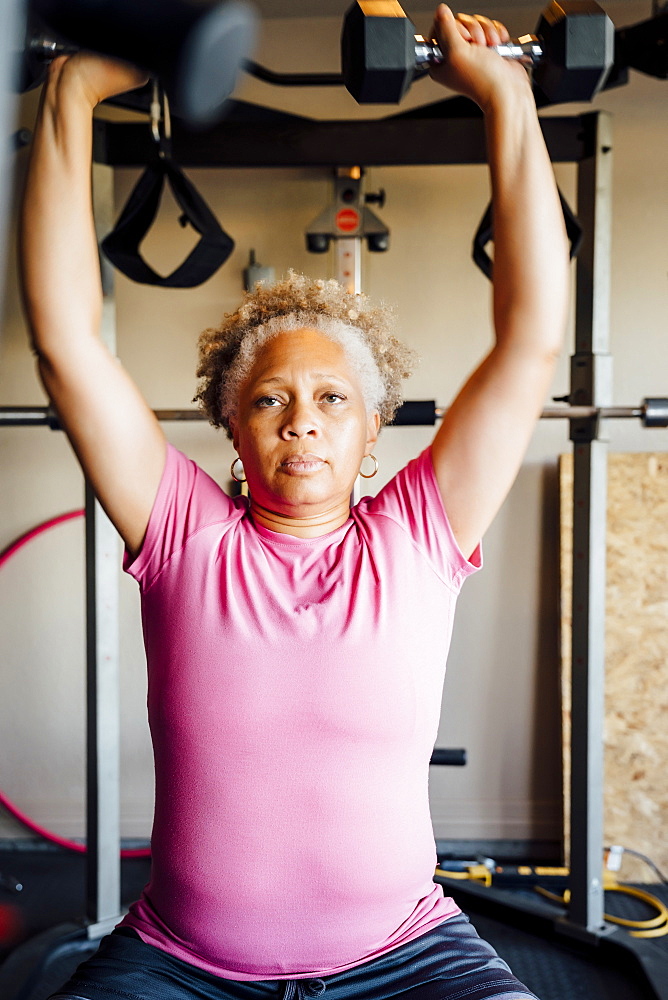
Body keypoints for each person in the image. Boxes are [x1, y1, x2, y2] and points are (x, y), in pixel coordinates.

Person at [20, 5, 569, 1000]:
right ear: (232, 433)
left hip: (410, 958)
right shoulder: (184, 531)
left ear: (371, 436)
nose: (300, 421)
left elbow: (530, 340)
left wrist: (506, 97)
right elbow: (65, 339)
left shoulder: (417, 532)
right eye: (267, 398)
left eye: (330, 401)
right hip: (178, 965)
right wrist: (70, 96)